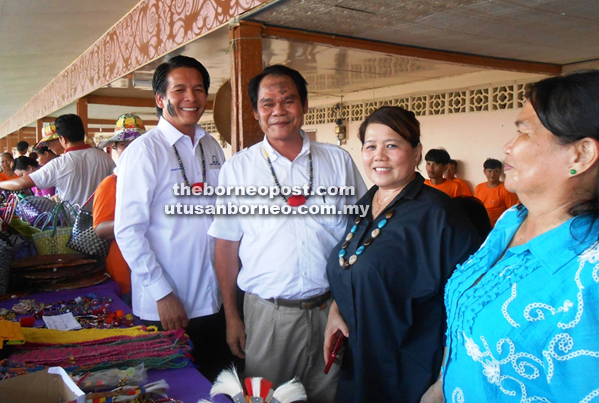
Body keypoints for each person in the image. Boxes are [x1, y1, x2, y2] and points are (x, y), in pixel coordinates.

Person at [421, 70, 599, 402]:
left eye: (524, 133)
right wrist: (441, 387)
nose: (508, 146)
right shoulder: (510, 221)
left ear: (581, 155)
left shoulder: (590, 275)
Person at [209, 64, 367, 402]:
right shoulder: (238, 169)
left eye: (288, 100)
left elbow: (360, 230)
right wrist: (232, 317)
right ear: (255, 112)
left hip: (331, 310)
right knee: (268, 398)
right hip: (269, 317)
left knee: (328, 394)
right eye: (267, 103)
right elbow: (225, 246)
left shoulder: (338, 161)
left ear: (305, 105)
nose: (278, 111)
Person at [321, 107, 479, 403]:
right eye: (370, 146)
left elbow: (468, 305)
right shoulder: (367, 204)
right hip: (362, 366)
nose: (379, 155)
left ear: (417, 152)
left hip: (411, 374)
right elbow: (353, 267)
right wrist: (336, 309)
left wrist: (443, 382)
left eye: (392, 145)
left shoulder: (438, 215)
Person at [114, 55, 231, 381]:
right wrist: (162, 293)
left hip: (213, 301)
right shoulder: (144, 151)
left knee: (218, 386)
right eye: (180, 89)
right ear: (160, 98)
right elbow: (128, 231)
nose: (191, 97)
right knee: (172, 391)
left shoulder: (211, 147)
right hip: (167, 306)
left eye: (198, 89)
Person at [0, 114, 115, 209]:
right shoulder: (105, 158)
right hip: (101, 222)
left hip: (73, 227)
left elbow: (22, 183)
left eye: (49, 143)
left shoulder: (60, 163)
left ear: (63, 139)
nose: (48, 147)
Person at [93, 113, 146, 306]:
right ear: (113, 148)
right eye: (124, 144)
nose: (131, 149)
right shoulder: (110, 184)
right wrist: (140, 222)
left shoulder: (152, 180)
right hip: (124, 275)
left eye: (136, 143)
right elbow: (100, 228)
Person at [474, 158, 519, 227]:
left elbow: (513, 212)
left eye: (496, 171)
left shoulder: (506, 189)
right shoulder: (479, 188)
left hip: (499, 228)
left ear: (501, 172)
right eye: (489, 171)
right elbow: (475, 209)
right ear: (484, 172)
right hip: (481, 226)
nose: (492, 174)